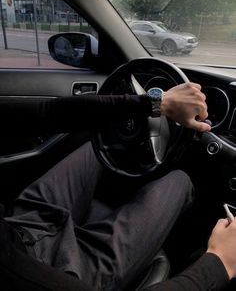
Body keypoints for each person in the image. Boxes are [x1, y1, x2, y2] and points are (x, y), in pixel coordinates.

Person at [0, 81, 233, 291]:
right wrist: (219, 262)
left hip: (20, 225)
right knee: (179, 181)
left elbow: (42, 114)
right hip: (59, 270)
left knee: (103, 147)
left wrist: (156, 103)